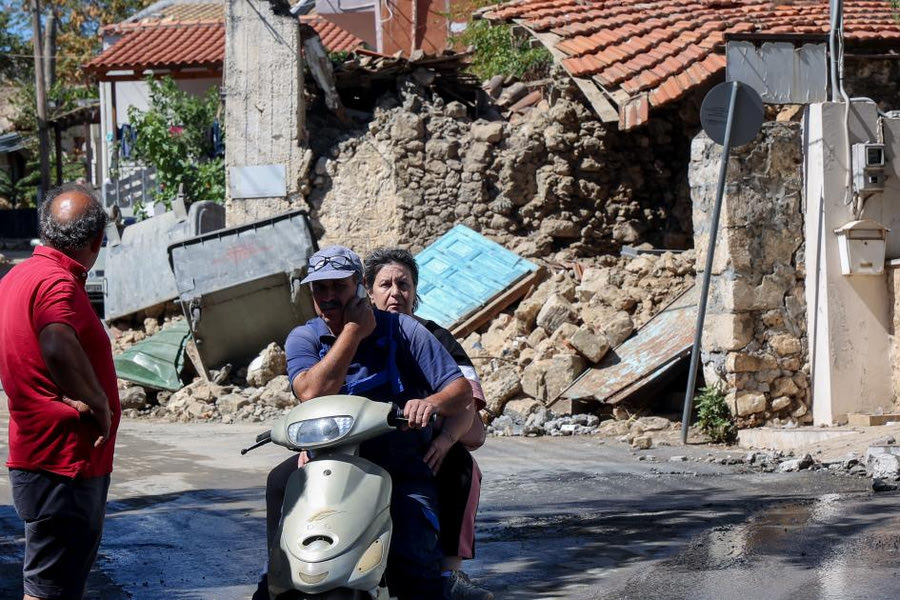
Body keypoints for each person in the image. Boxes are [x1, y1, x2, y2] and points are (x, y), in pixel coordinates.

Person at [260, 245, 472, 600]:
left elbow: (459, 389)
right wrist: (353, 331)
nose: (328, 297)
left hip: (398, 462)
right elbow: (311, 392)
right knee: (282, 495)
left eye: (338, 287)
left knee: (414, 554)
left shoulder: (404, 330)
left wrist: (430, 403)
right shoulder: (304, 337)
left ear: (358, 286)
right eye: (320, 288)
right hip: (329, 461)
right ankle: (276, 581)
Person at [0, 183, 120, 600]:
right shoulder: (58, 284)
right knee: (49, 592)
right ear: (96, 241)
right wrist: (99, 403)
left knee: (49, 586)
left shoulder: (17, 277)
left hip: (40, 457)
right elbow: (55, 342)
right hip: (64, 464)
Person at [364, 247, 492, 600]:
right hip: (364, 443)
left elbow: (469, 403)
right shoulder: (353, 338)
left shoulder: (437, 337)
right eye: (385, 284)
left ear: (415, 292)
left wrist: (446, 439)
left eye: (404, 284)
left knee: (461, 465)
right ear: (368, 291)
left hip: (421, 446)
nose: (395, 293)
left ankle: (450, 573)